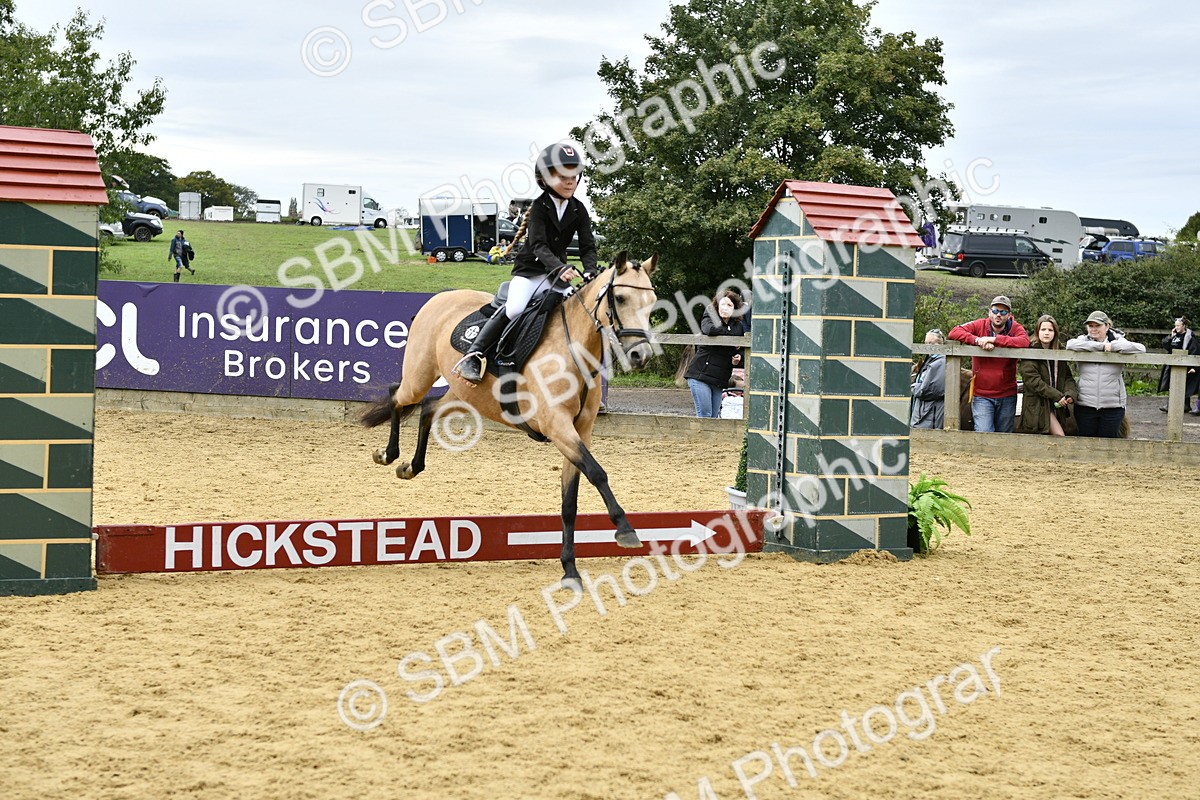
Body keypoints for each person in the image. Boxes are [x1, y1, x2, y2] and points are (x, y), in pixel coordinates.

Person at [453, 143, 597, 383]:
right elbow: (539, 246)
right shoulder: (539, 207)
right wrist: (561, 267)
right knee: (516, 308)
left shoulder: (578, 209)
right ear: (546, 178)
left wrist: (591, 271)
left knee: (580, 309)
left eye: (573, 175)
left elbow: (587, 246)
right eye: (563, 176)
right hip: (530, 273)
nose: (570, 181)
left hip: (554, 277)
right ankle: (473, 356)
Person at [947, 295, 1030, 433]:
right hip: (982, 395)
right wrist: (977, 340)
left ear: (1009, 315)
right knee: (983, 433)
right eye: (996, 311)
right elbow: (954, 332)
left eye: (1003, 312)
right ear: (989, 312)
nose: (999, 315)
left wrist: (994, 340)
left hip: (1007, 394)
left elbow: (1024, 342)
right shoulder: (979, 325)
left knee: (1004, 436)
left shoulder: (1016, 328)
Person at [1066, 310, 1146, 438]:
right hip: (1085, 404)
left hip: (1112, 405)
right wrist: (1101, 347)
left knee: (1109, 444)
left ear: (1107, 326)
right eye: (1090, 326)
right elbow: (1070, 344)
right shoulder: (1082, 340)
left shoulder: (1119, 340)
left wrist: (1112, 347)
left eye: (1097, 325)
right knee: (1086, 443)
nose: (1093, 329)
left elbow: (1140, 348)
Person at [684, 290, 746, 418]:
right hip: (700, 375)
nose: (725, 308)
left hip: (720, 378)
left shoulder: (738, 326)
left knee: (714, 417)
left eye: (729, 305)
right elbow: (710, 330)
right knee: (705, 415)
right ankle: (701, 439)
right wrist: (731, 336)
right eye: (722, 304)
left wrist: (738, 356)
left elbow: (739, 349)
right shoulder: (709, 317)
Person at [1016, 315, 1077, 436]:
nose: (1047, 333)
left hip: (1057, 406)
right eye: (1043, 329)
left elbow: (1068, 377)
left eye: (1050, 330)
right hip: (1039, 405)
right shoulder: (1029, 351)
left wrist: (1070, 394)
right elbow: (1033, 382)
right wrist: (1057, 396)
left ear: (1055, 332)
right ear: (1037, 331)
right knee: (1059, 436)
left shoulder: (1059, 351)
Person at [1157, 317, 1200, 415]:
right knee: (1173, 385)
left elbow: (1195, 351)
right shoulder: (1175, 336)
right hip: (1172, 363)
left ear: (1184, 326)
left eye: (1178, 325)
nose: (1176, 327)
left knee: (1183, 386)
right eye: (1175, 325)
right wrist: (1171, 336)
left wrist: (1194, 367)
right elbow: (1166, 346)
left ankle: (1179, 405)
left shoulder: (1190, 338)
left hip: (1185, 364)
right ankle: (1180, 405)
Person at [910, 329, 947, 429]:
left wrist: (913, 386)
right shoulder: (930, 361)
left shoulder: (940, 363)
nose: (927, 346)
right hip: (924, 415)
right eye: (926, 343)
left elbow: (929, 390)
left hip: (930, 418)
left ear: (940, 344)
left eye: (931, 343)